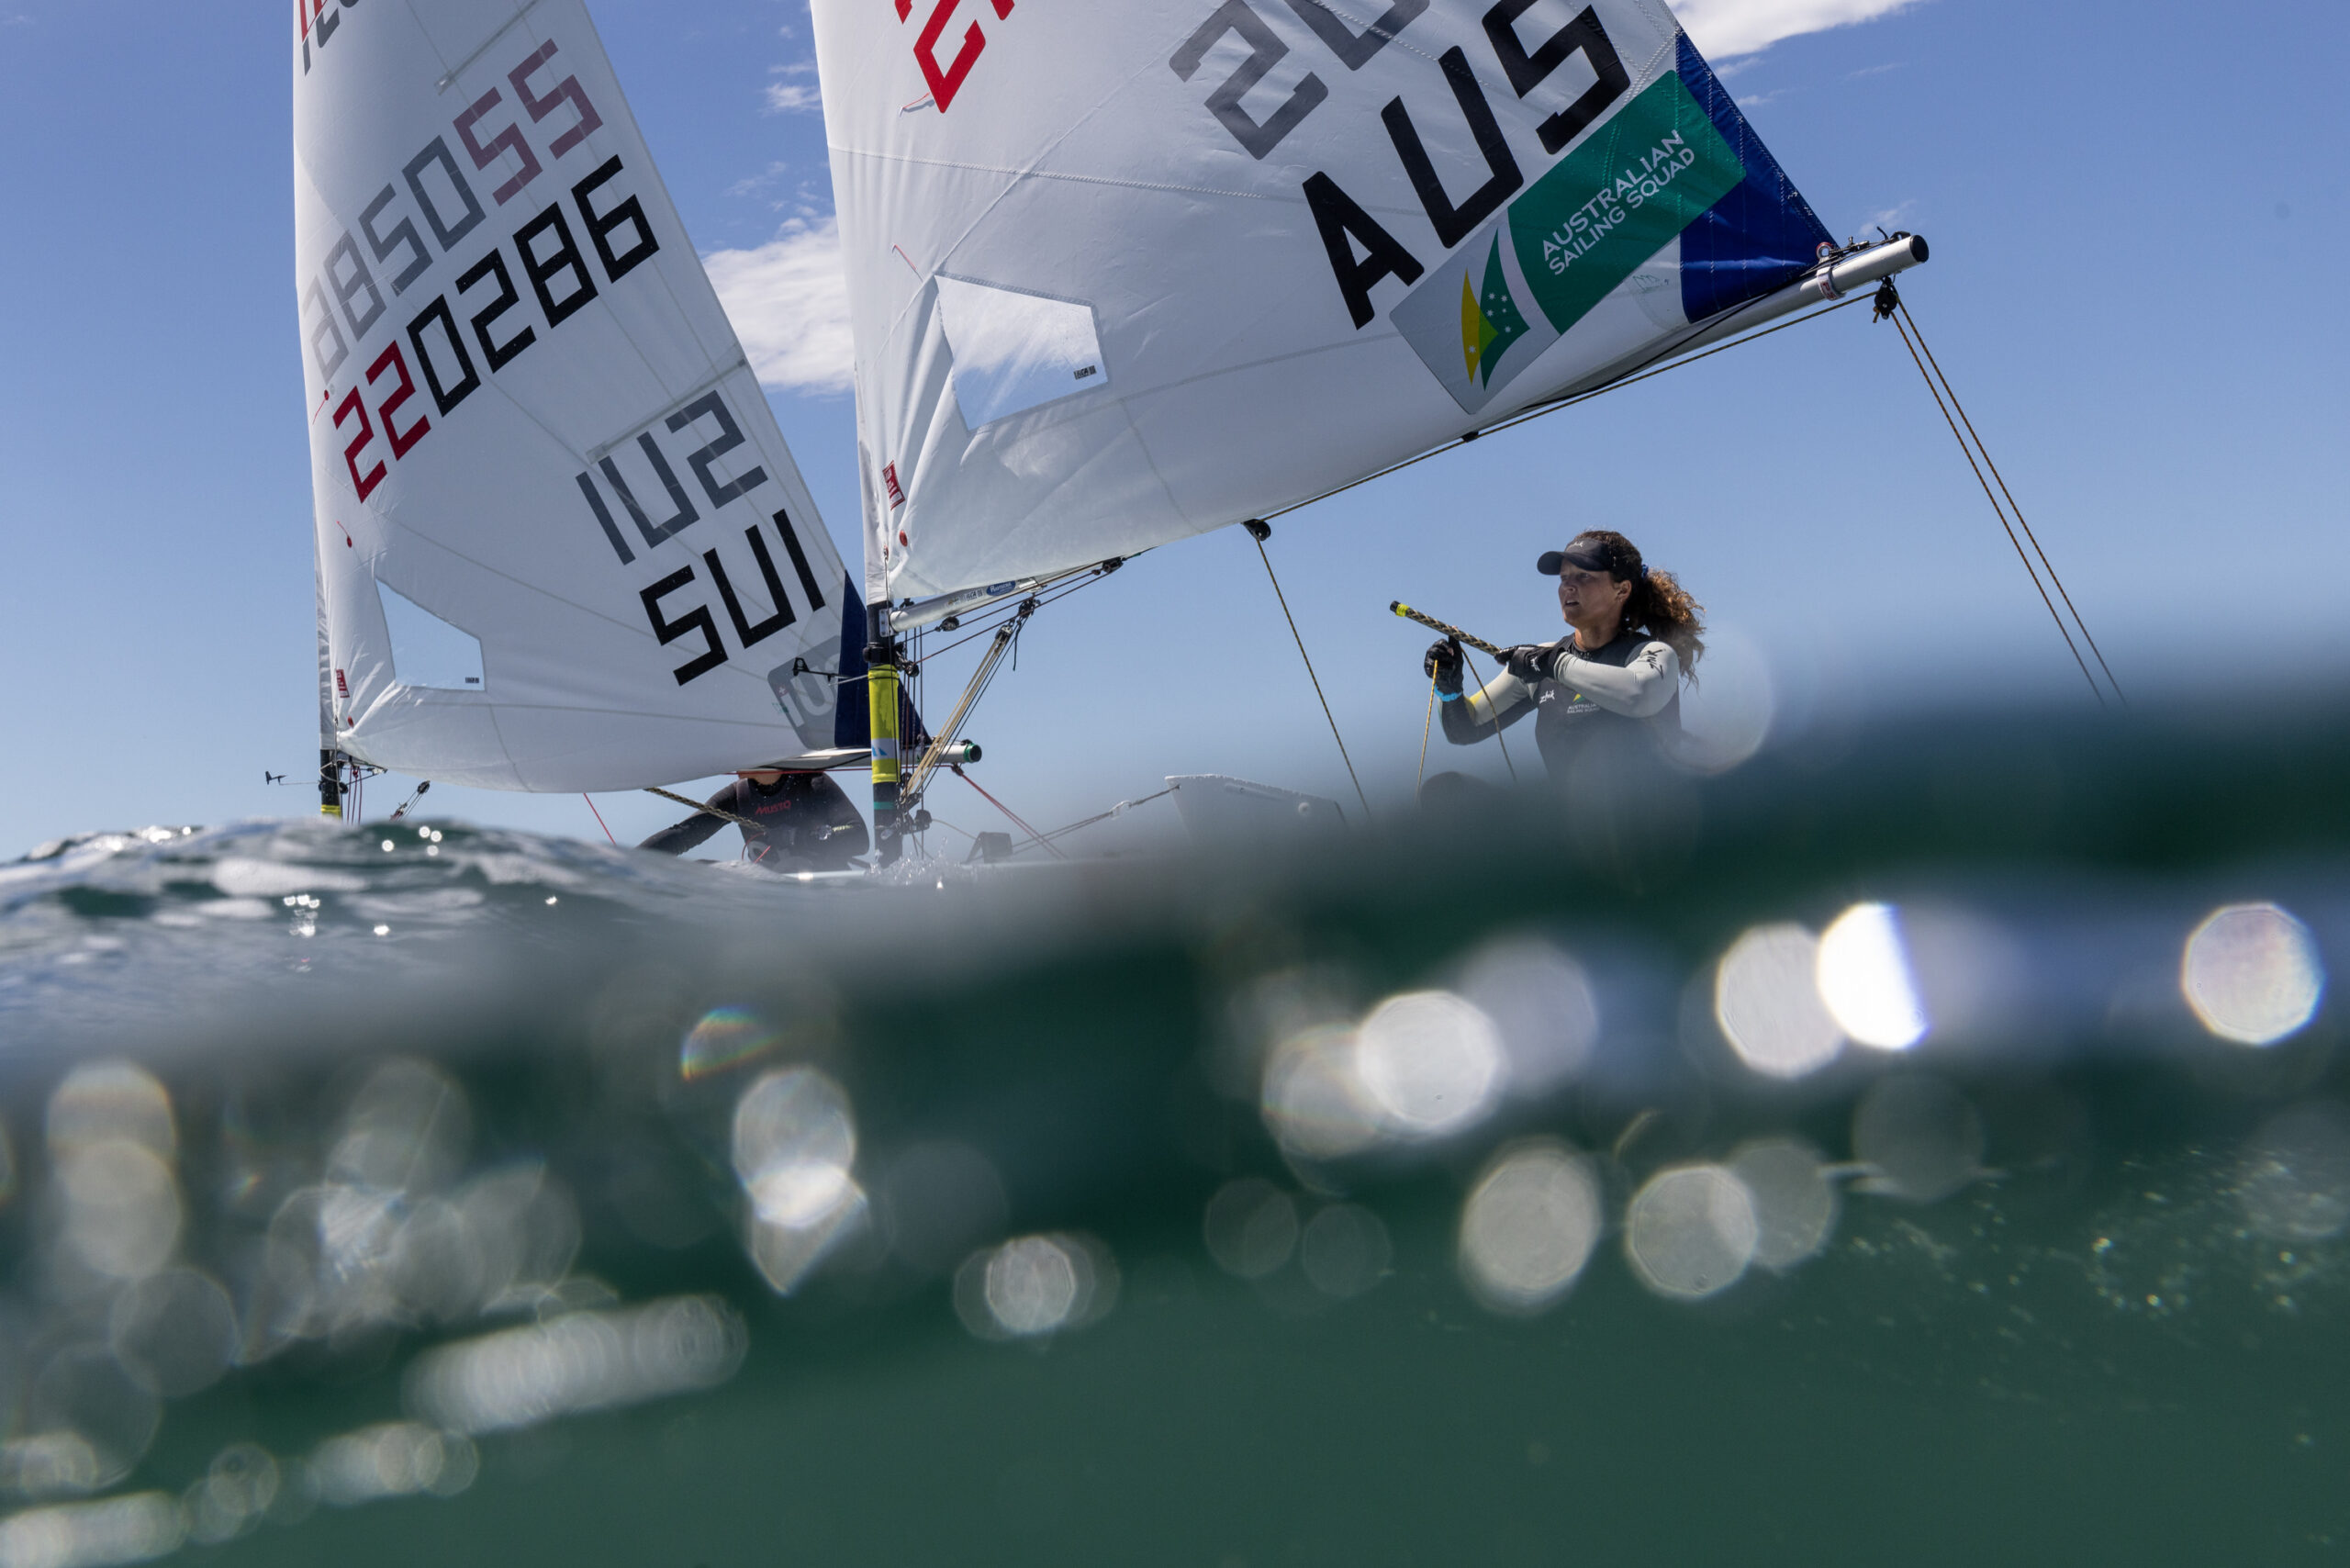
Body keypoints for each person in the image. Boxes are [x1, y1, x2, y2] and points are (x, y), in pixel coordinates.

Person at [1423, 530, 1704, 786]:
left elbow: (1639, 695)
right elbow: (1464, 730)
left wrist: (1552, 664)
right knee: (1443, 789)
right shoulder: (1541, 659)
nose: (1568, 586)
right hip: (1573, 824)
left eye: (1584, 577)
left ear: (1622, 590)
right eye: (1564, 578)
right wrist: (1449, 689)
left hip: (1655, 820)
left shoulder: (1653, 654)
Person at [639, 767, 871, 871]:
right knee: (701, 870)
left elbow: (859, 838)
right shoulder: (737, 795)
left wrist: (798, 837)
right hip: (774, 894)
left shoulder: (810, 782)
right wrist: (630, 864)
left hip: (826, 888)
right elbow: (684, 834)